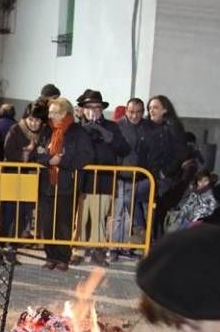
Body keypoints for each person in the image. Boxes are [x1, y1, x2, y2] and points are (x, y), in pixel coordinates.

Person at [74, 89, 129, 265]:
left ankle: (98, 251)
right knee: (80, 217)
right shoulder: (77, 128)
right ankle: (78, 250)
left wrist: (104, 132)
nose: (93, 111)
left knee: (99, 217)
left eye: (97, 107)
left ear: (102, 109)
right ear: (83, 109)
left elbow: (123, 148)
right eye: (89, 107)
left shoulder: (112, 127)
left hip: (104, 179)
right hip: (83, 179)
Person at [39, 96, 93, 271]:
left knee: (64, 222)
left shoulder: (78, 132)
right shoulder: (46, 131)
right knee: (47, 222)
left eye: (55, 112)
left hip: (67, 184)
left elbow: (85, 156)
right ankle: (50, 256)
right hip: (46, 183)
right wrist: (49, 160)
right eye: (50, 112)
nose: (51, 115)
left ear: (65, 113)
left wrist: (61, 161)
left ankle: (63, 257)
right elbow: (37, 153)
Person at [0, 99, 51, 248]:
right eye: (31, 119)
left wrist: (33, 153)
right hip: (12, 176)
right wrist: (26, 154)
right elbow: (8, 150)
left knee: (23, 215)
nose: (34, 123)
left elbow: (45, 153)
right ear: (25, 118)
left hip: (31, 179)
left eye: (38, 120)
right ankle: (0, 247)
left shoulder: (45, 132)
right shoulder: (16, 129)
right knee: (7, 214)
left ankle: (13, 248)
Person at [143, 94, 187, 239]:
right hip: (150, 174)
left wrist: (165, 172)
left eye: (155, 107)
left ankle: (156, 242)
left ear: (165, 110)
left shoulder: (172, 126)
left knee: (159, 212)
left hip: (165, 177)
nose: (151, 111)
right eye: (150, 108)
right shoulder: (148, 126)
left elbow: (180, 152)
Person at [111, 97, 151, 253]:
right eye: (131, 112)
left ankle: (128, 247)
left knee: (132, 211)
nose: (134, 116)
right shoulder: (117, 126)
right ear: (126, 111)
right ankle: (114, 247)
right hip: (122, 176)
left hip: (142, 176)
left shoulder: (148, 127)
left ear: (143, 112)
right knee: (118, 214)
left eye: (138, 112)